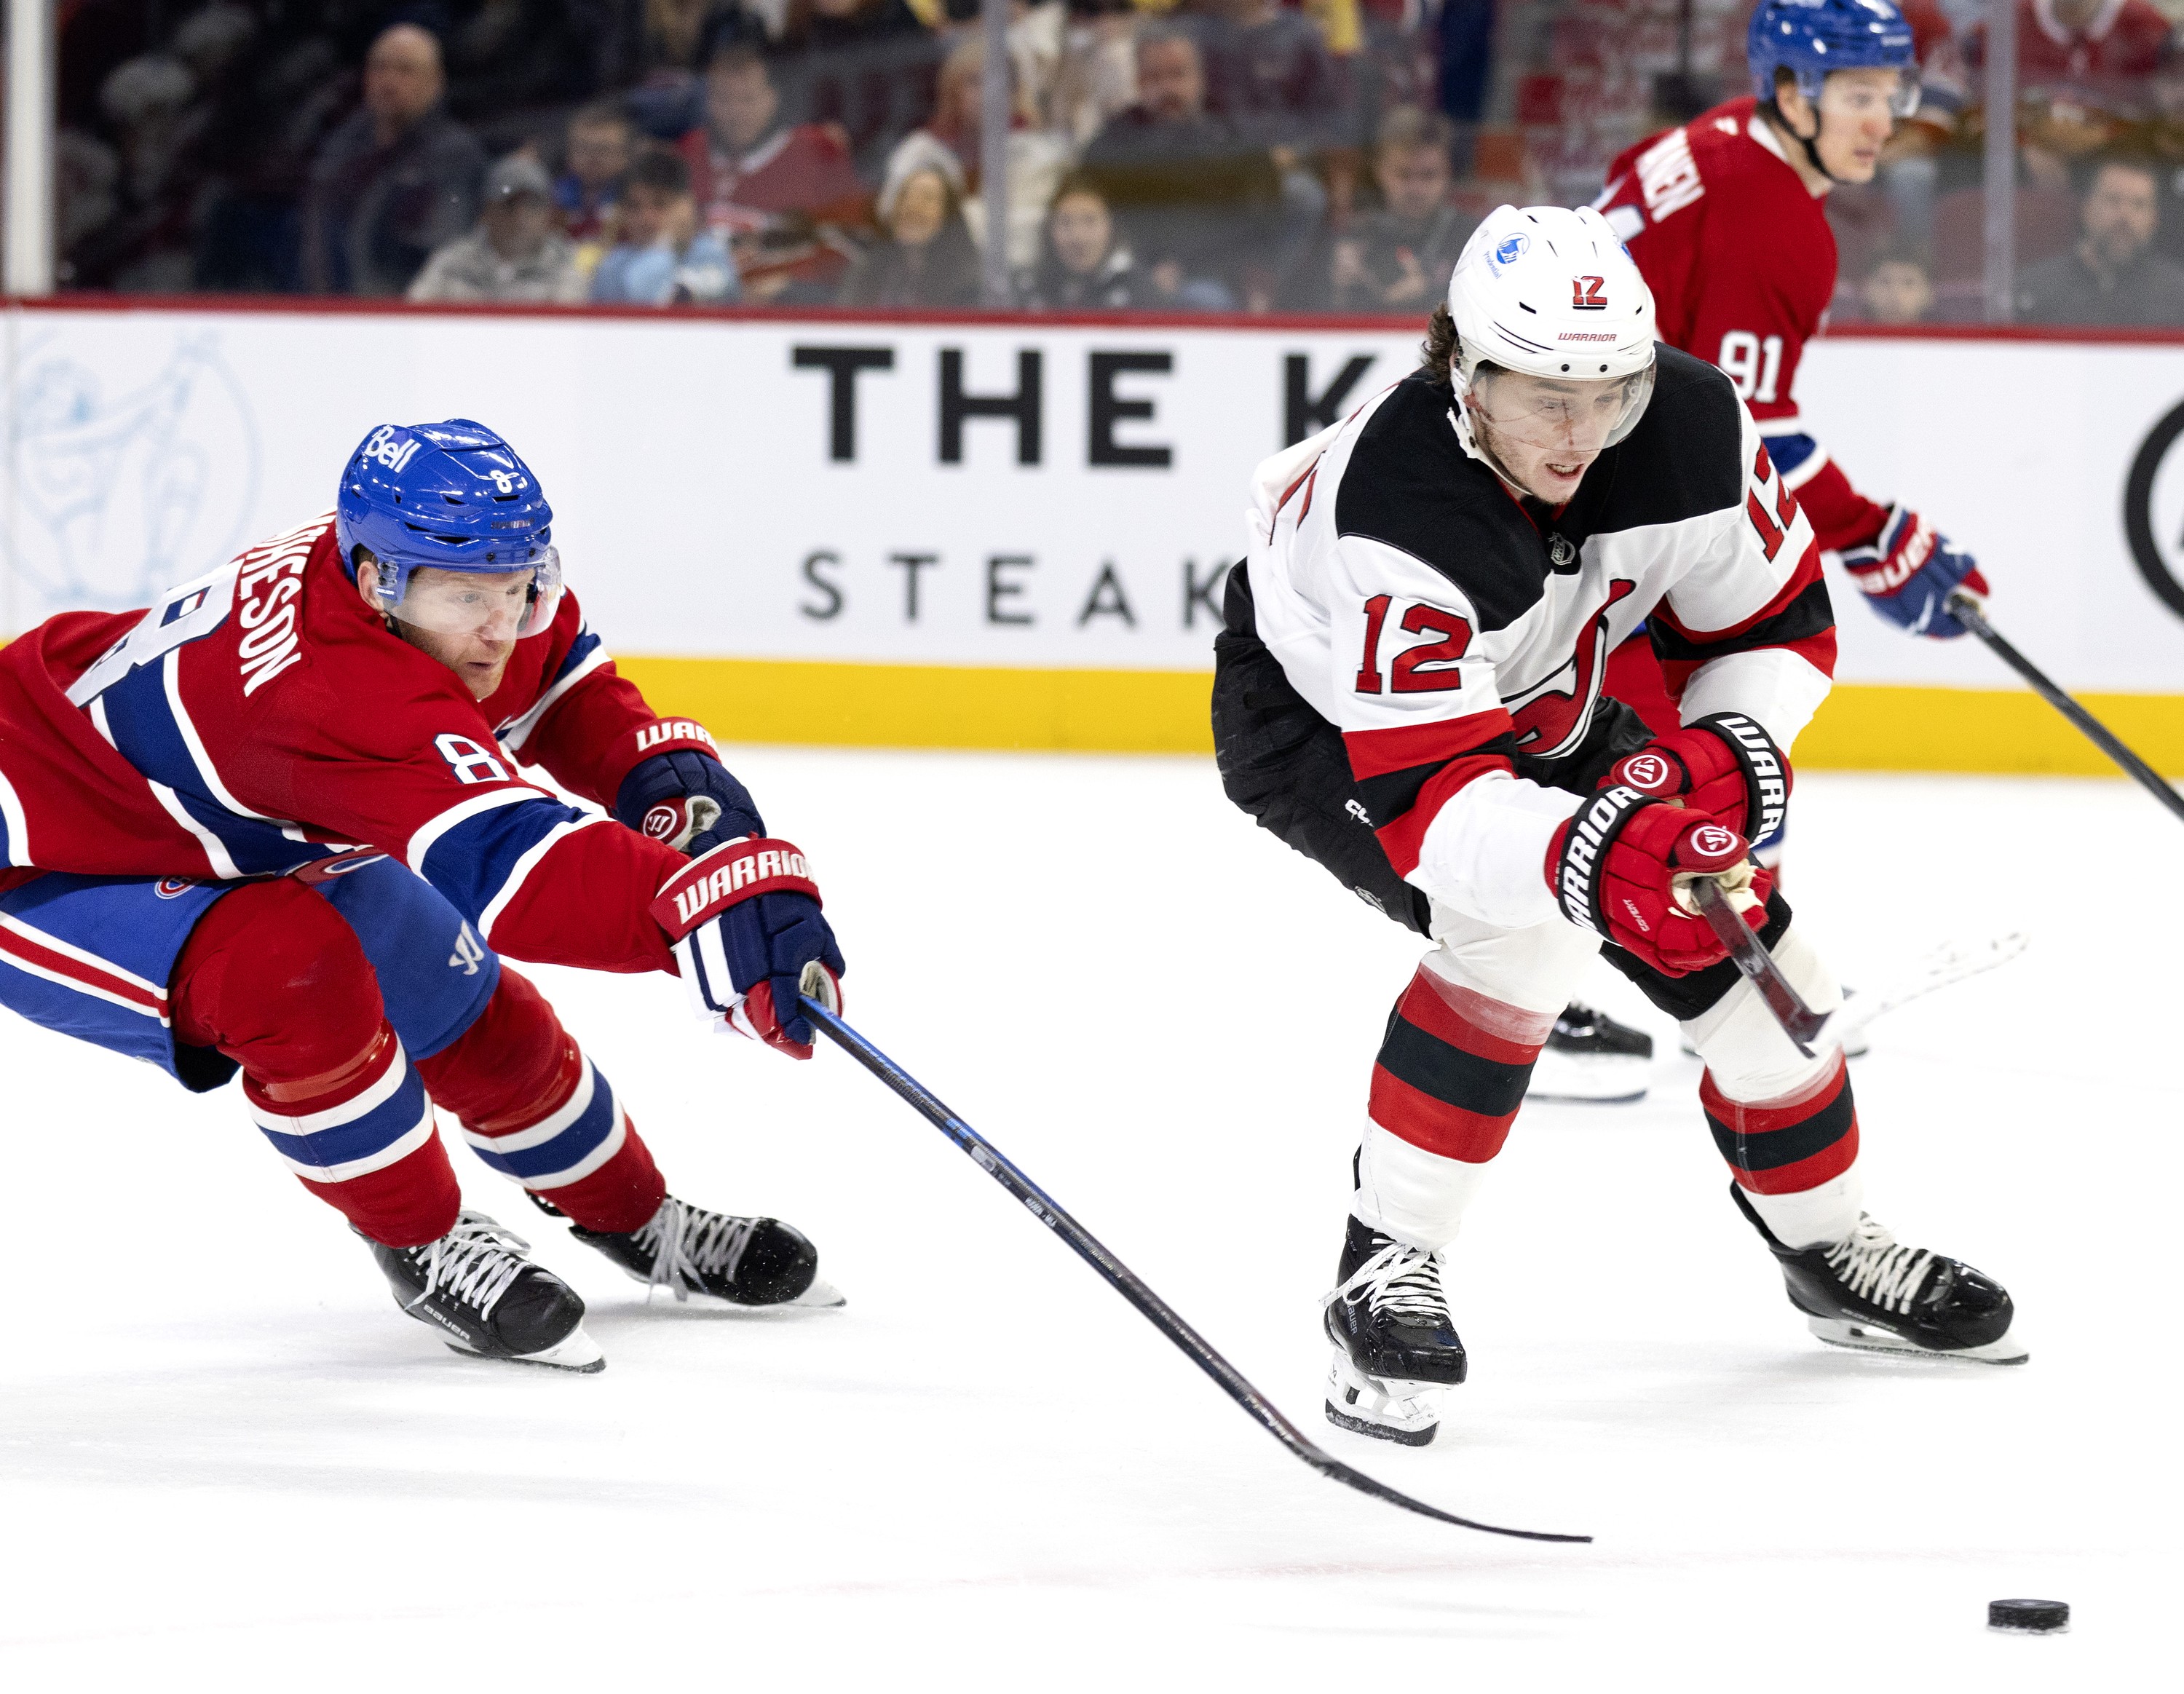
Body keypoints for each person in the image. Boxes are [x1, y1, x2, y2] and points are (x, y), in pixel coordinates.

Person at [1211, 205, 2025, 1447]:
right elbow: (1437, 805)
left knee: (1757, 959)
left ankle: (1830, 1250)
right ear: (1462, 368)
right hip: (1322, 721)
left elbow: (1778, 623)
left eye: (1610, 392)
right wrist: (1587, 856)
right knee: (1519, 938)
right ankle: (1386, 1264)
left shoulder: (1690, 422)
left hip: (1552, 692)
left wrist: (1728, 751)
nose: (1583, 433)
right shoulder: (1399, 507)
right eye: (1546, 397)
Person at [0, 421, 849, 1371]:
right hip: (46, 849)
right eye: (469, 597)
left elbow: (563, 694)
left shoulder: (442, 580)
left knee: (459, 1001)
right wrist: (712, 907)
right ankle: (425, 1244)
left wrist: (676, 786)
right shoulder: (330, 692)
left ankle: (638, 1219)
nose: (500, 625)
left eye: (519, 585)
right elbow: (518, 867)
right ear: (376, 582)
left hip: (231, 820)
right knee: (289, 971)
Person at [1080, 23, 1284, 309]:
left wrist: (1186, 264)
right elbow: (1092, 220)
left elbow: (1261, 224)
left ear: (1200, 78)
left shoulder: (1234, 141)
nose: (1168, 88)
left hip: (1213, 278)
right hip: (1130, 278)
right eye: (1154, 77)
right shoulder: (1111, 147)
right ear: (1138, 81)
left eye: (1178, 74)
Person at [303, 23, 486, 296]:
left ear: (435, 82)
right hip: (335, 304)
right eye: (380, 68)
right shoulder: (342, 144)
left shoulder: (455, 154)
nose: (388, 81)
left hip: (411, 305)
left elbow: (442, 247)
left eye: (405, 70)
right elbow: (317, 228)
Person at [679, 43, 869, 300]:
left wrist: (792, 288)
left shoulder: (815, 151)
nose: (736, 112)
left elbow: (853, 252)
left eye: (747, 99)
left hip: (790, 312)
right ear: (708, 102)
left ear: (772, 98)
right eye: (724, 99)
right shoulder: (688, 152)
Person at [1313, 106, 1476, 312]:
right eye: (1403, 175)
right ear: (1380, 171)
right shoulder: (1351, 236)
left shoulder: (1473, 240)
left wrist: (1430, 294)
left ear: (1448, 173)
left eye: (1429, 175)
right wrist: (1337, 289)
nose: (1416, 189)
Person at [2017, 152, 2184, 325]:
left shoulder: (2177, 295)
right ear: (2087, 210)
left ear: (2154, 220)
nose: (2125, 215)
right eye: (2113, 200)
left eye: (2139, 204)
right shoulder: (2034, 289)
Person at [408, 154, 590, 304]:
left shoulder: (566, 263)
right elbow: (416, 315)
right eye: (509, 205)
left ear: (549, 213)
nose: (520, 216)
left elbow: (569, 326)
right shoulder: (453, 261)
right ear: (487, 211)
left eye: (532, 205)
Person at [836, 135, 984, 308]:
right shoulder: (868, 271)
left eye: (928, 198)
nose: (914, 207)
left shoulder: (970, 281)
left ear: (948, 215)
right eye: (906, 195)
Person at [590, 147, 740, 305]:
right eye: (634, 206)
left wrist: (662, 245)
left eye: (660, 204)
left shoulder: (710, 254)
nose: (646, 218)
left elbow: (651, 298)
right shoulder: (613, 265)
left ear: (686, 206)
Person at [1018, 175, 1142, 308]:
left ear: (1111, 227)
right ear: (1049, 230)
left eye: (1090, 221)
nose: (1078, 237)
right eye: (1066, 222)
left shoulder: (1139, 291)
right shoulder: (1028, 288)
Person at [556, 100, 636, 248]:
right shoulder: (552, 202)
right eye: (583, 148)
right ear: (569, 153)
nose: (593, 158)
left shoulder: (636, 206)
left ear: (625, 156)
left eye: (604, 149)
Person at [1856, 242, 1935, 323]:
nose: (1895, 296)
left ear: (1930, 293)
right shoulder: (1851, 328)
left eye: (1908, 283)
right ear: (1865, 287)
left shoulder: (1939, 329)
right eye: (1885, 282)